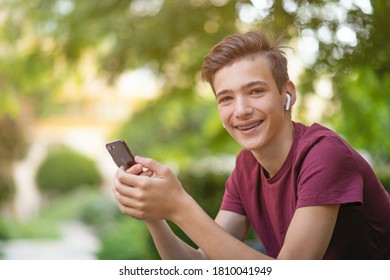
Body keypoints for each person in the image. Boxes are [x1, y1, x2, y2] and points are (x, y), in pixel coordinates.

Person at [112, 31, 390, 259]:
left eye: (255, 91)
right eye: (226, 98)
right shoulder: (246, 166)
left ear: (287, 94)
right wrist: (154, 213)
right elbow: (200, 265)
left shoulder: (324, 154)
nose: (241, 110)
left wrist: (180, 207)